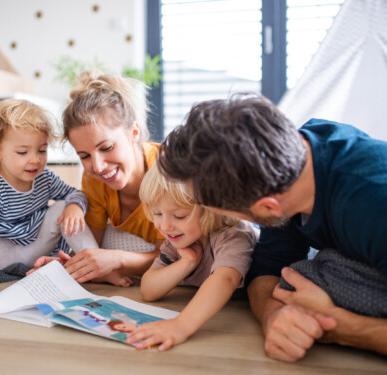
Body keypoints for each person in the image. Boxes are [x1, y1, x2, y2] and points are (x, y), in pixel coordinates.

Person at [157, 93, 387, 361]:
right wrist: (273, 315)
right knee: (294, 279)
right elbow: (267, 267)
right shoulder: (283, 168)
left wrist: (336, 325)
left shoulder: (372, 204)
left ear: (268, 208)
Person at [0, 98, 99, 305]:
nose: (35, 160)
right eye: (23, 152)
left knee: (64, 207)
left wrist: (75, 205)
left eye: (42, 150)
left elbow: (74, 193)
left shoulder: (45, 177)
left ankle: (93, 261)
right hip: (0, 253)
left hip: (35, 249)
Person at [29, 70, 164, 284]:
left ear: (134, 133)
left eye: (107, 147)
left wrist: (116, 258)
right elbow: (91, 247)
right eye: (84, 156)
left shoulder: (166, 170)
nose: (98, 166)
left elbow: (169, 256)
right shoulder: (94, 181)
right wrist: (69, 267)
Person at [125, 163, 259, 350]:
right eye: (158, 213)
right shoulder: (178, 239)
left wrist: (181, 325)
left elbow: (226, 278)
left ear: (211, 209)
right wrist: (187, 262)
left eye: (179, 216)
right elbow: (148, 290)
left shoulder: (232, 234)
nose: (165, 226)